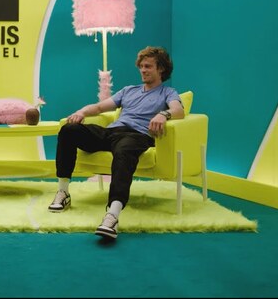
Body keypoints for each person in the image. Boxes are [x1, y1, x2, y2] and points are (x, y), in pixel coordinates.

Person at [48, 46, 184, 239]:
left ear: (161, 68)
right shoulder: (129, 90)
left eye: (148, 66)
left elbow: (179, 111)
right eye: (141, 66)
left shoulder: (168, 92)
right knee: (69, 130)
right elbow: (99, 108)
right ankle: (63, 193)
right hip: (112, 131)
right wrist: (81, 112)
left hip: (137, 135)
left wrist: (164, 114)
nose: (143, 70)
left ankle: (112, 214)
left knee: (124, 151)